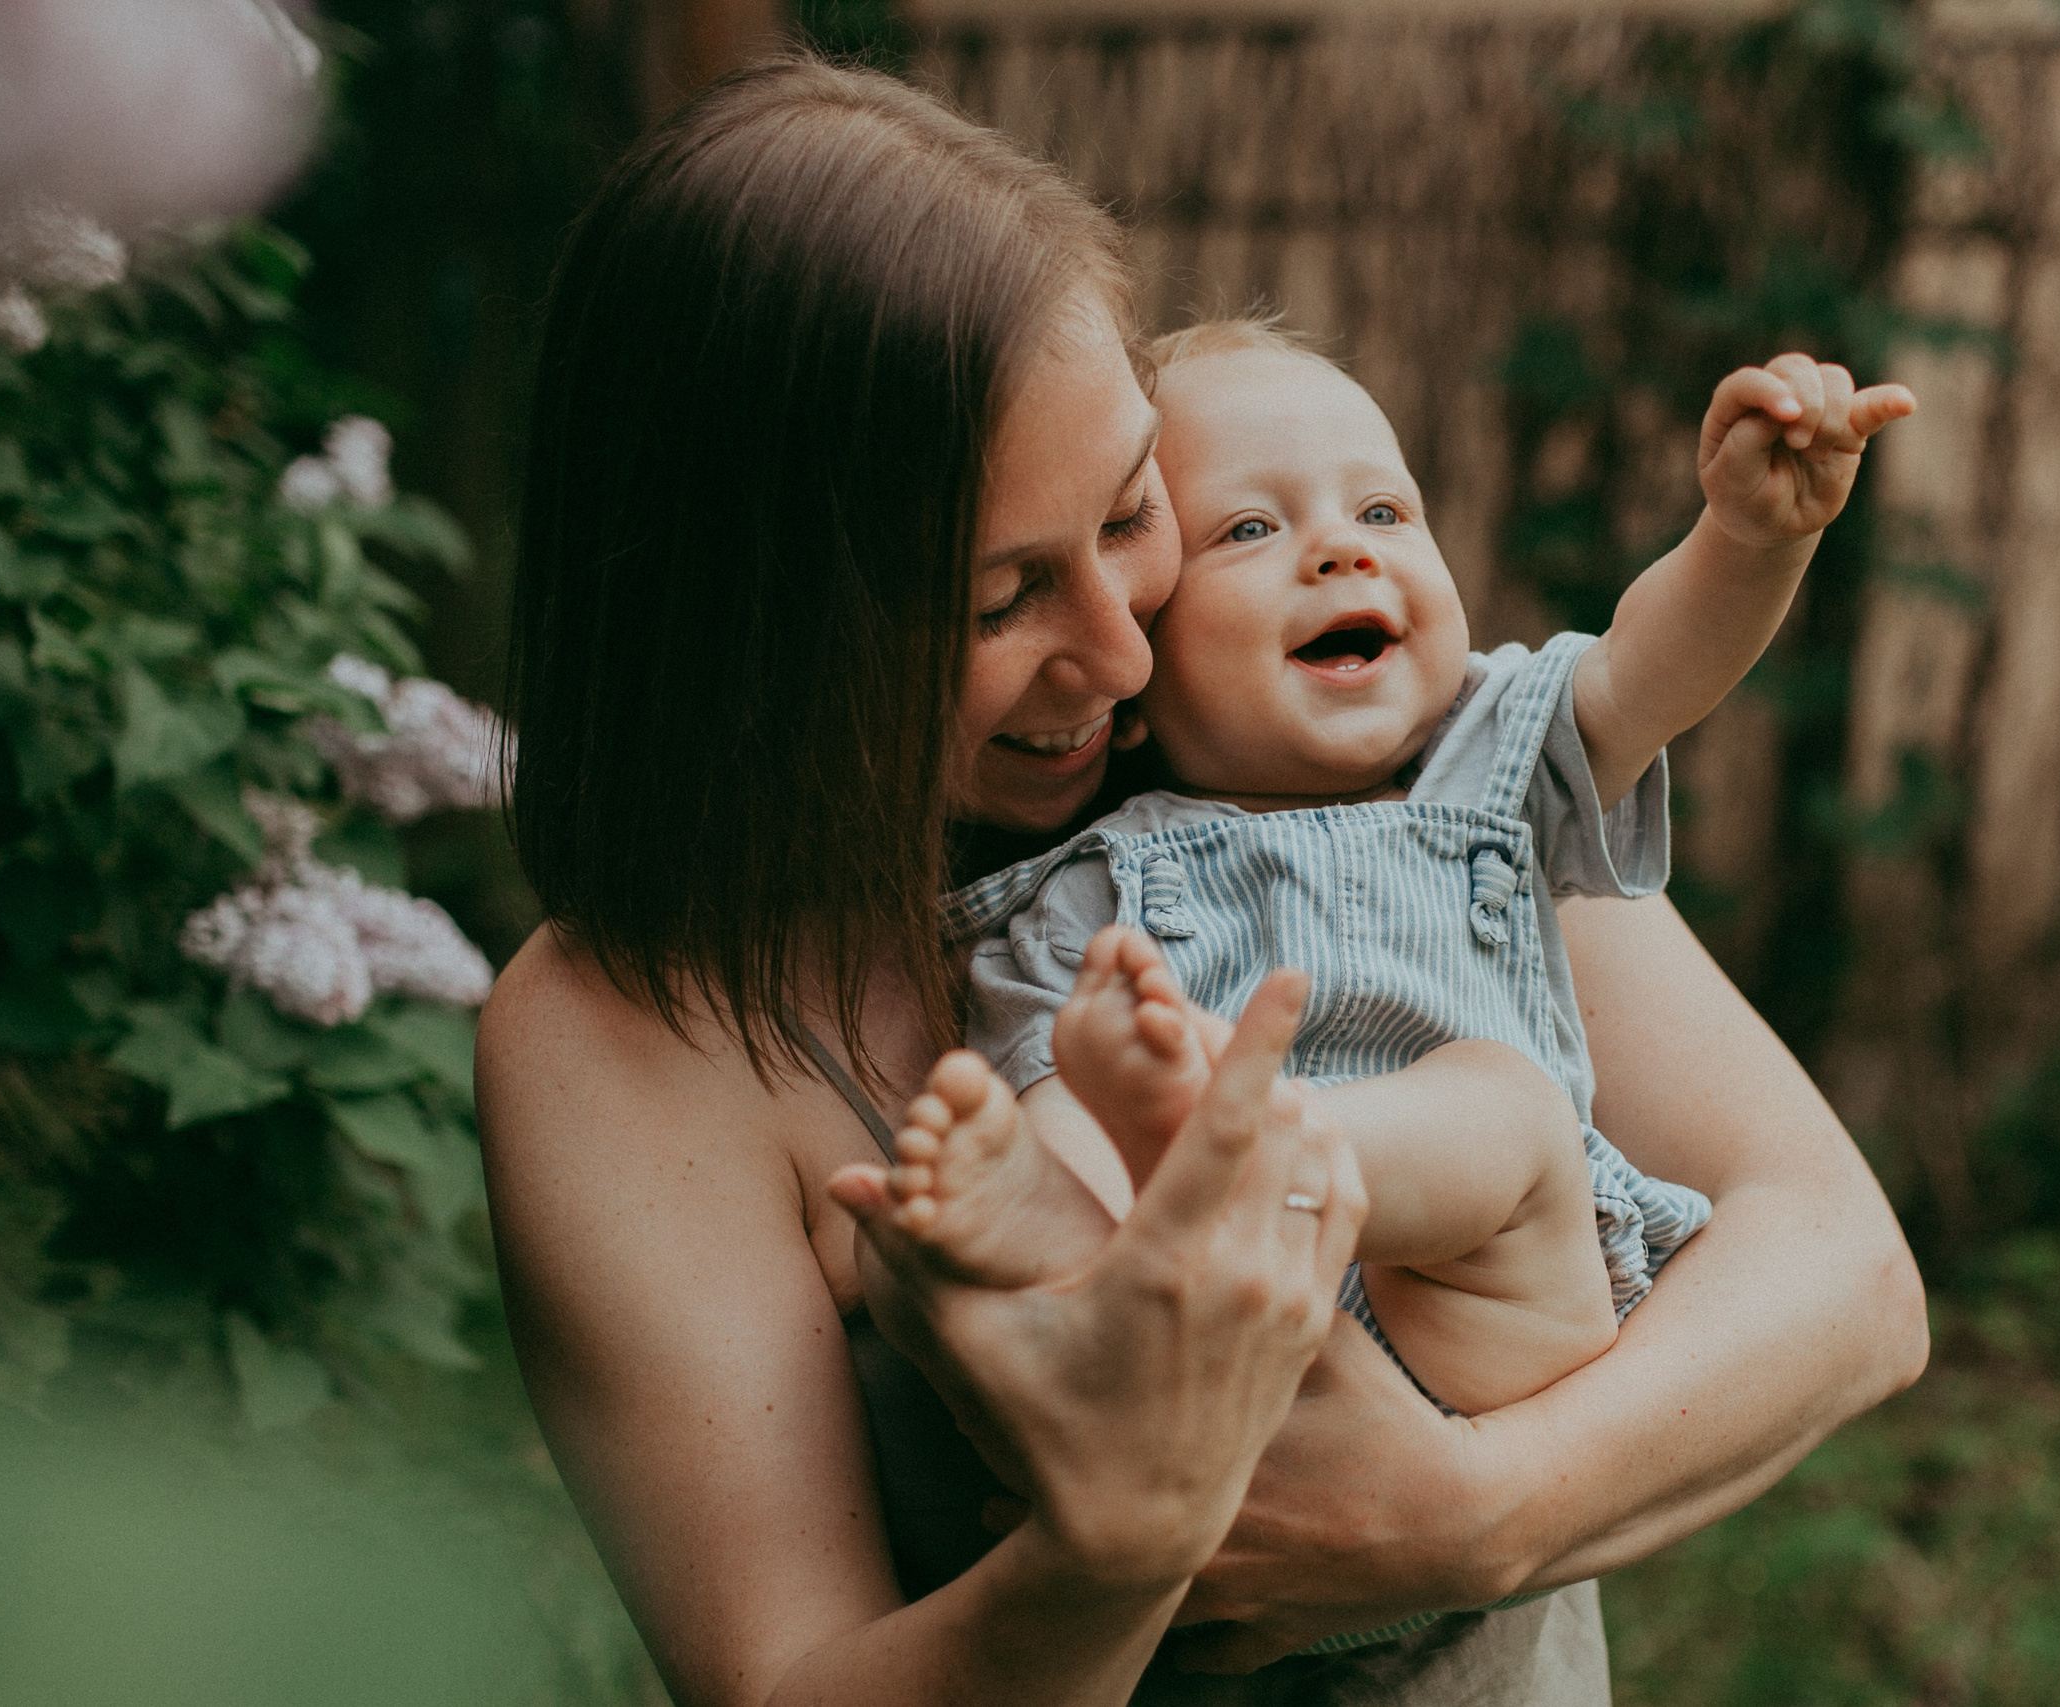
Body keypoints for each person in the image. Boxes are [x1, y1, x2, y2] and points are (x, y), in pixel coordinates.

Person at [476, 53, 1929, 1707]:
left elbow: (1841, 1275)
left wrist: (1453, 1514)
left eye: (1132, 516)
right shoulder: (618, 1037)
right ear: (754, 635)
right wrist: (1115, 1550)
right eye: (998, 600)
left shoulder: (1354, 773)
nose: (1114, 649)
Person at [835, 316, 1910, 1435]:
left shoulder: (1489, 759)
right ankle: (1044, 1247)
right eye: (1248, 529)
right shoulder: (1085, 895)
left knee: (1504, 1105)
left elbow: (1648, 666)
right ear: (1133, 675)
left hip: (1482, 1329)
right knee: (1062, 1099)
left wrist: (1749, 538)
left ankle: (1249, 1139)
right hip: (1220, 1366)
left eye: (1383, 512)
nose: (1343, 550)